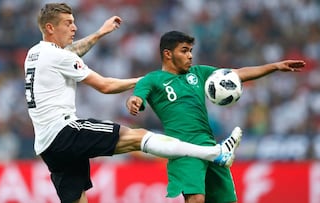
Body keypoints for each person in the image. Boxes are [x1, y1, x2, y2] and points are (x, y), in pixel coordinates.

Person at [24, 3, 242, 203]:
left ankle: (214, 153)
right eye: (68, 23)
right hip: (66, 132)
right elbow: (105, 86)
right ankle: (214, 153)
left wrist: (100, 33)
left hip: (47, 145)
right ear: (50, 28)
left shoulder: (35, 53)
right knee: (137, 137)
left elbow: (72, 51)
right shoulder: (59, 57)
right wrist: (145, 80)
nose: (74, 27)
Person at [126, 30, 305, 203]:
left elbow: (237, 74)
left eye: (190, 51)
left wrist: (275, 66)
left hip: (212, 149)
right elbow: (137, 96)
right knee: (196, 199)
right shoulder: (152, 79)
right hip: (183, 149)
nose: (190, 56)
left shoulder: (198, 73)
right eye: (184, 51)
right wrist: (133, 101)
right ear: (167, 54)